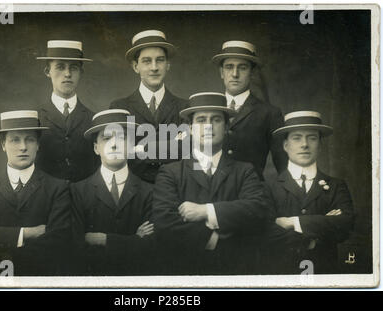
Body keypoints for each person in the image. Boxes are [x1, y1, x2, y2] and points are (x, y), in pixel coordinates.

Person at [152, 92, 270, 275]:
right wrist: (217, 239)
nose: (208, 126)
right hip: (184, 274)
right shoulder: (170, 172)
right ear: (190, 128)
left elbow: (258, 210)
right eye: (201, 120)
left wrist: (205, 211)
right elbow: (164, 224)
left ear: (226, 127)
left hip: (236, 274)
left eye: (215, 119)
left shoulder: (245, 170)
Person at [0, 110, 71, 276]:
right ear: (3, 144)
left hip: (40, 279)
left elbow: (58, 241)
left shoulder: (58, 188)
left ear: (38, 145)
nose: (23, 147)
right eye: (15, 140)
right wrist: (27, 233)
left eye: (30, 139)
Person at [262, 111, 355, 274]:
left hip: (324, 273)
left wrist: (293, 222)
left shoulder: (336, 186)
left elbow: (345, 225)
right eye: (297, 138)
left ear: (320, 145)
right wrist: (318, 231)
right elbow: (266, 232)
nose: (304, 144)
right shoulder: (268, 187)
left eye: (312, 138)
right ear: (285, 145)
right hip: (280, 273)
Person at [70, 109, 156, 275]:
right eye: (106, 138)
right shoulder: (77, 191)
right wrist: (133, 240)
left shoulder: (149, 191)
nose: (114, 144)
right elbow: (76, 247)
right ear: (96, 148)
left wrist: (104, 239)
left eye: (121, 137)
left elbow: (151, 247)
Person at [110, 30, 189, 183]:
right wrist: (171, 145)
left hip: (174, 190)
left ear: (167, 65)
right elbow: (120, 153)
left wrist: (140, 149)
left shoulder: (185, 108)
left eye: (159, 60)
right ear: (135, 66)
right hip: (134, 192)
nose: (154, 67)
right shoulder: (120, 107)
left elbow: (185, 148)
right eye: (147, 61)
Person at [212, 40, 287, 179]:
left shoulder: (269, 113)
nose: (235, 74)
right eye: (229, 67)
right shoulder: (208, 110)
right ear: (222, 72)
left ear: (252, 73)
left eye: (242, 67)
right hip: (210, 193)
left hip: (250, 193)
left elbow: (283, 166)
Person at [35, 40, 98, 182]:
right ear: (47, 71)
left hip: (83, 202)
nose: (67, 74)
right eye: (60, 67)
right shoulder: (35, 119)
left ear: (81, 72)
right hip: (46, 202)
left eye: (74, 68)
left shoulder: (94, 120)